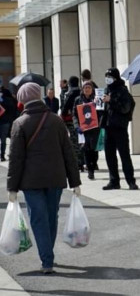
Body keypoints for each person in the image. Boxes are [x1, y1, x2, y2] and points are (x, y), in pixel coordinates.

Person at [7, 82, 81, 274]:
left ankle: (47, 260)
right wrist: (75, 182)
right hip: (55, 178)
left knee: (38, 219)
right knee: (51, 217)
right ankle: (48, 255)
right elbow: (69, 153)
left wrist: (12, 187)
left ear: (23, 100)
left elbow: (16, 159)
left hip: (31, 181)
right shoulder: (56, 120)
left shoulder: (19, 124)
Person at [101, 67, 138, 190]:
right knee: (109, 155)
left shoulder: (122, 91)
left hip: (119, 127)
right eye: (106, 77)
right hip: (108, 126)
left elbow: (125, 108)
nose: (108, 79)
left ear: (115, 78)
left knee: (124, 155)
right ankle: (114, 180)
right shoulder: (107, 90)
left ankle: (131, 181)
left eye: (110, 77)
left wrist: (111, 101)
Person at [73, 82, 100, 180]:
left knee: (94, 150)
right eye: (85, 88)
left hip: (95, 129)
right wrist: (77, 126)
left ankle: (93, 164)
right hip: (84, 129)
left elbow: (101, 112)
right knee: (86, 150)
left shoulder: (96, 99)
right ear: (82, 89)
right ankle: (90, 170)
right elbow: (74, 114)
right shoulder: (78, 100)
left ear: (92, 89)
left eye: (89, 87)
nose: (87, 89)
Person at [61, 76, 84, 171]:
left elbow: (65, 108)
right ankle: (82, 161)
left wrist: (62, 114)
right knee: (81, 141)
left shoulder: (71, 94)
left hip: (71, 120)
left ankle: (77, 163)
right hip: (82, 120)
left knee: (74, 141)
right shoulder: (81, 92)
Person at [0, 86, 18, 161]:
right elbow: (14, 110)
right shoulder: (12, 100)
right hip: (7, 122)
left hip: (4, 121)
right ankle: (2, 156)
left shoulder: (3, 100)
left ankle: (2, 155)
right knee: (4, 139)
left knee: (3, 140)